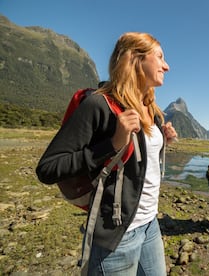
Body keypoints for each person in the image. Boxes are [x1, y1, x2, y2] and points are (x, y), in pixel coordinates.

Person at [36, 32, 177, 275]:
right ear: (135, 58)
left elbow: (138, 159)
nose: (167, 65)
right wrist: (111, 144)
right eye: (160, 57)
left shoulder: (150, 108)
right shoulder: (98, 105)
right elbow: (47, 168)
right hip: (116, 235)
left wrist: (162, 140)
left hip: (150, 225)